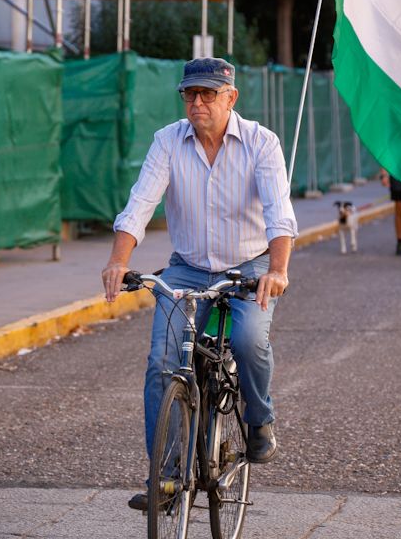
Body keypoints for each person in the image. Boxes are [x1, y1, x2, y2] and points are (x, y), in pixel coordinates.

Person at [100, 57, 297, 512]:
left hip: (249, 267)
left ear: (231, 98)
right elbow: (140, 203)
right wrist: (117, 261)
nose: (197, 103)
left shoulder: (261, 143)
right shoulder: (168, 141)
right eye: (190, 94)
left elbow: (279, 214)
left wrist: (278, 270)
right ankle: (167, 478)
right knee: (162, 362)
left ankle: (259, 418)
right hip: (187, 268)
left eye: (208, 94)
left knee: (248, 340)